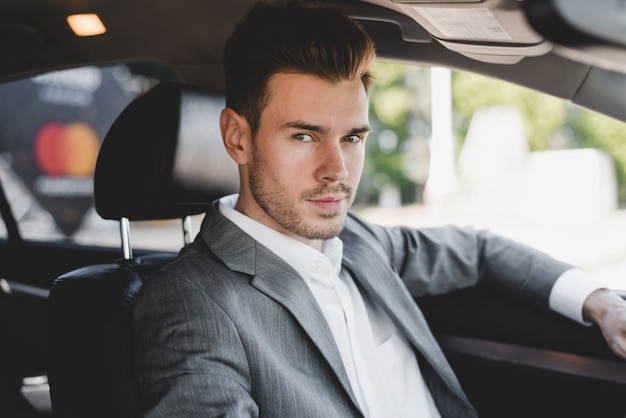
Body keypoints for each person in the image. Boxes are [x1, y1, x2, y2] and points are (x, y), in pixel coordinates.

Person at [133, 1, 626, 417]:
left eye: (351, 137)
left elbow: (476, 250)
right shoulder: (191, 300)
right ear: (238, 138)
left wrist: (598, 300)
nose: (337, 170)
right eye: (304, 136)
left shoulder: (363, 244)